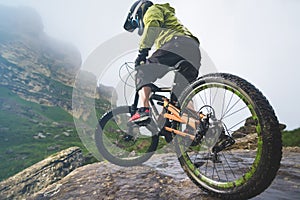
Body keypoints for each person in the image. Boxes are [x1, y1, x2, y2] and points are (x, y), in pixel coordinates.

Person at [124, 0, 201, 124]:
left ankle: (144, 109)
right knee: (180, 99)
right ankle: (201, 125)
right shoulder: (169, 18)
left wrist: (142, 53)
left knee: (142, 71)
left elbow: (152, 26)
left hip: (177, 44)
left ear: (138, 13)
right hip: (193, 50)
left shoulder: (152, 10)